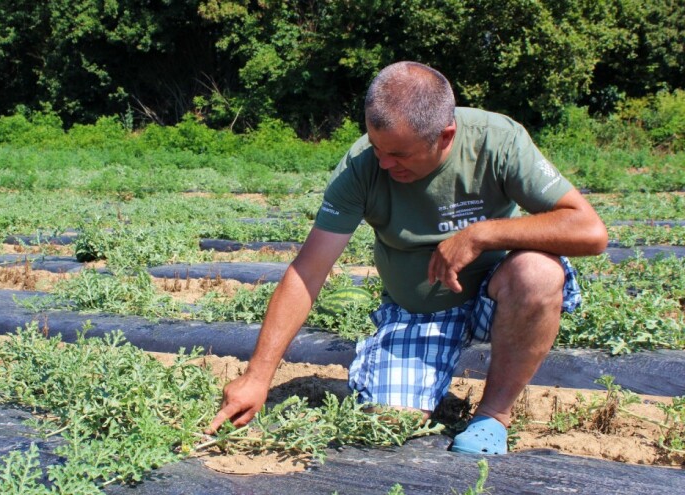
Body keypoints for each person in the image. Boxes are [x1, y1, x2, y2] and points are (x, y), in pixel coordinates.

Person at [207, 61, 608, 455]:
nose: (384, 162)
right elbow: (307, 272)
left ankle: (492, 415)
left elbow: (589, 231)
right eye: (377, 147)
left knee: (537, 272)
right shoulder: (362, 166)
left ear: (446, 136)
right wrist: (257, 376)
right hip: (418, 313)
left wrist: (482, 234)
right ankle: (427, 380)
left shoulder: (496, 140)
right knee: (388, 420)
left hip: (496, 297)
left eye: (399, 154)